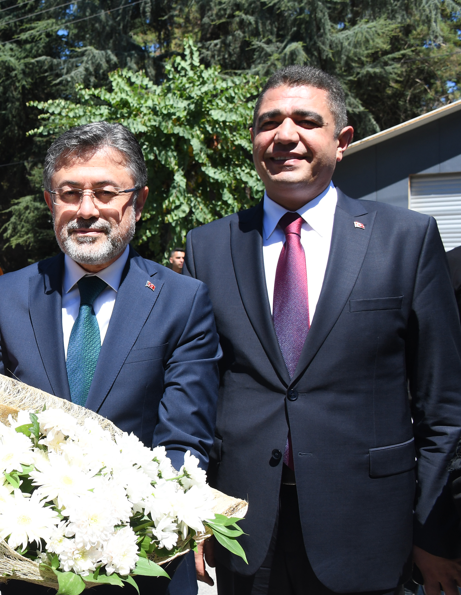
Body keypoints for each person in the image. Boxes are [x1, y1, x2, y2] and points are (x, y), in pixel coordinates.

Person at [185, 66, 461, 595]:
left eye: (307, 121)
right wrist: (194, 511)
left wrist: (434, 532)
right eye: (269, 122)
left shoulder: (406, 239)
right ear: (253, 138)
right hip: (244, 530)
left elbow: (443, 406)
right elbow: (197, 395)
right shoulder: (209, 246)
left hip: (371, 528)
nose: (284, 135)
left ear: (343, 140)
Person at [0, 121, 221, 595]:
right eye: (70, 193)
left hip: (142, 567)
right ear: (50, 202)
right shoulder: (9, 296)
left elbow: (183, 439)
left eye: (106, 193)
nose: (86, 210)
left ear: (138, 202)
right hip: (32, 570)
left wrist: (145, 530)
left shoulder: (182, 301)